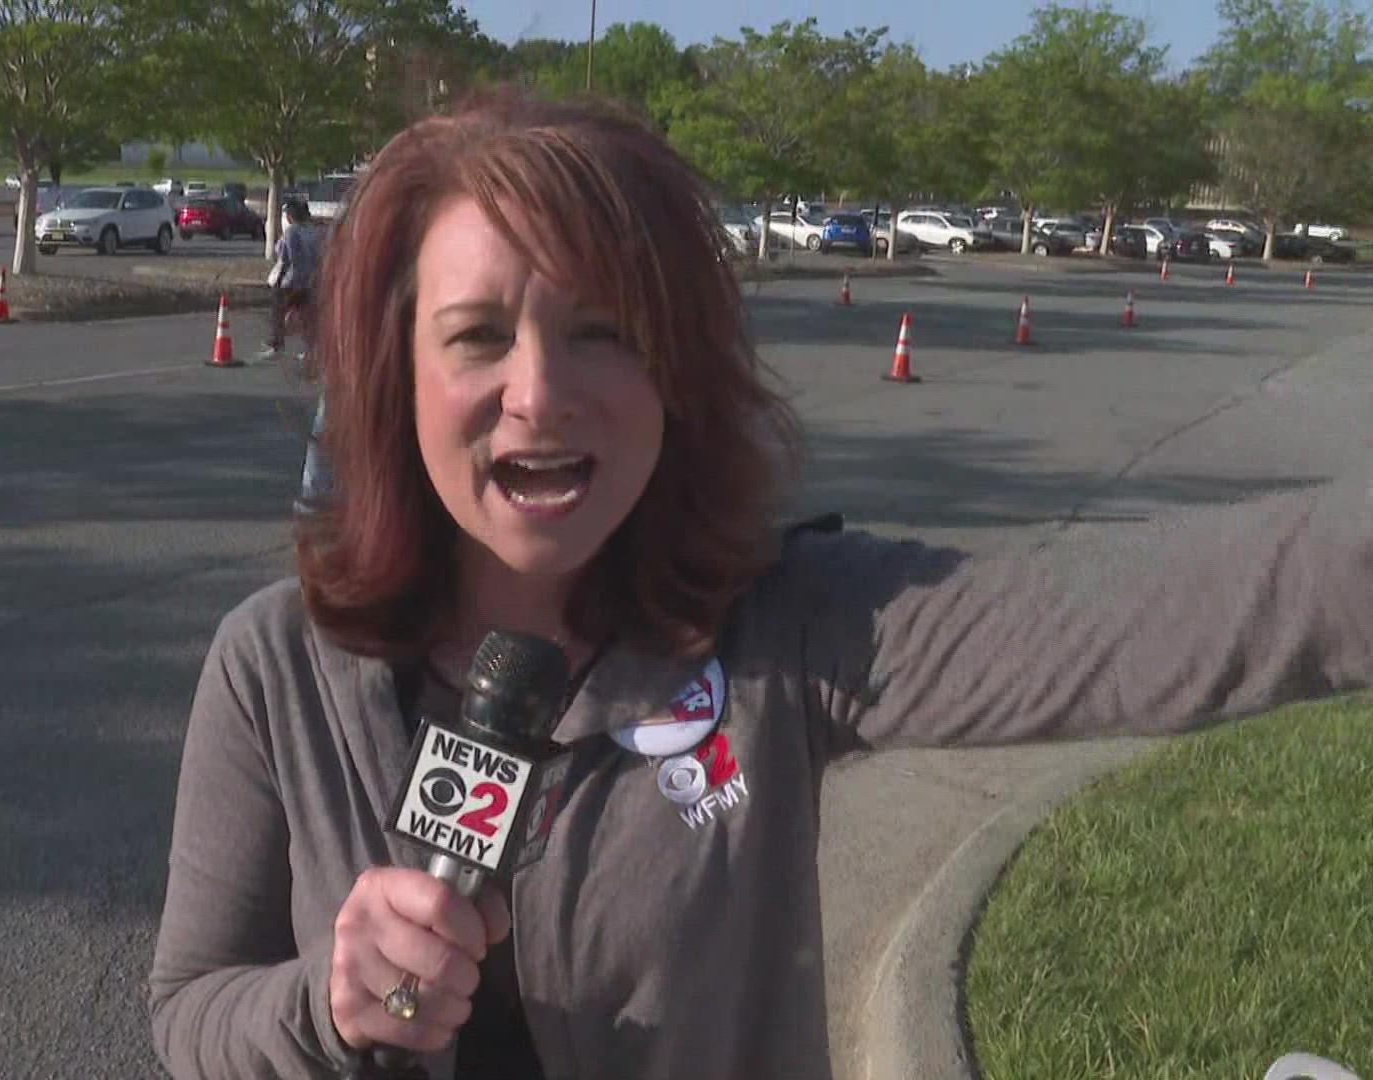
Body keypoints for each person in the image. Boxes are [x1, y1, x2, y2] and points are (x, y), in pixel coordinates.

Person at [147, 86, 1373, 1080]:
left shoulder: (784, 629)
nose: (540, 394)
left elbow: (1171, 610)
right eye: (478, 336)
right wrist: (328, 1003)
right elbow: (192, 1009)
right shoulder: (275, 672)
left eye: (602, 332)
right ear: (395, 378)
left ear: (673, 373)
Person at [261, 198, 321, 363]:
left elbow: (288, 259)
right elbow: (318, 258)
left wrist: (279, 281)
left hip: (292, 280)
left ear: (291, 216)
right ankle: (310, 350)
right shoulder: (313, 232)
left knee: (277, 312)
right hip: (309, 280)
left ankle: (276, 345)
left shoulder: (292, 232)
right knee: (307, 316)